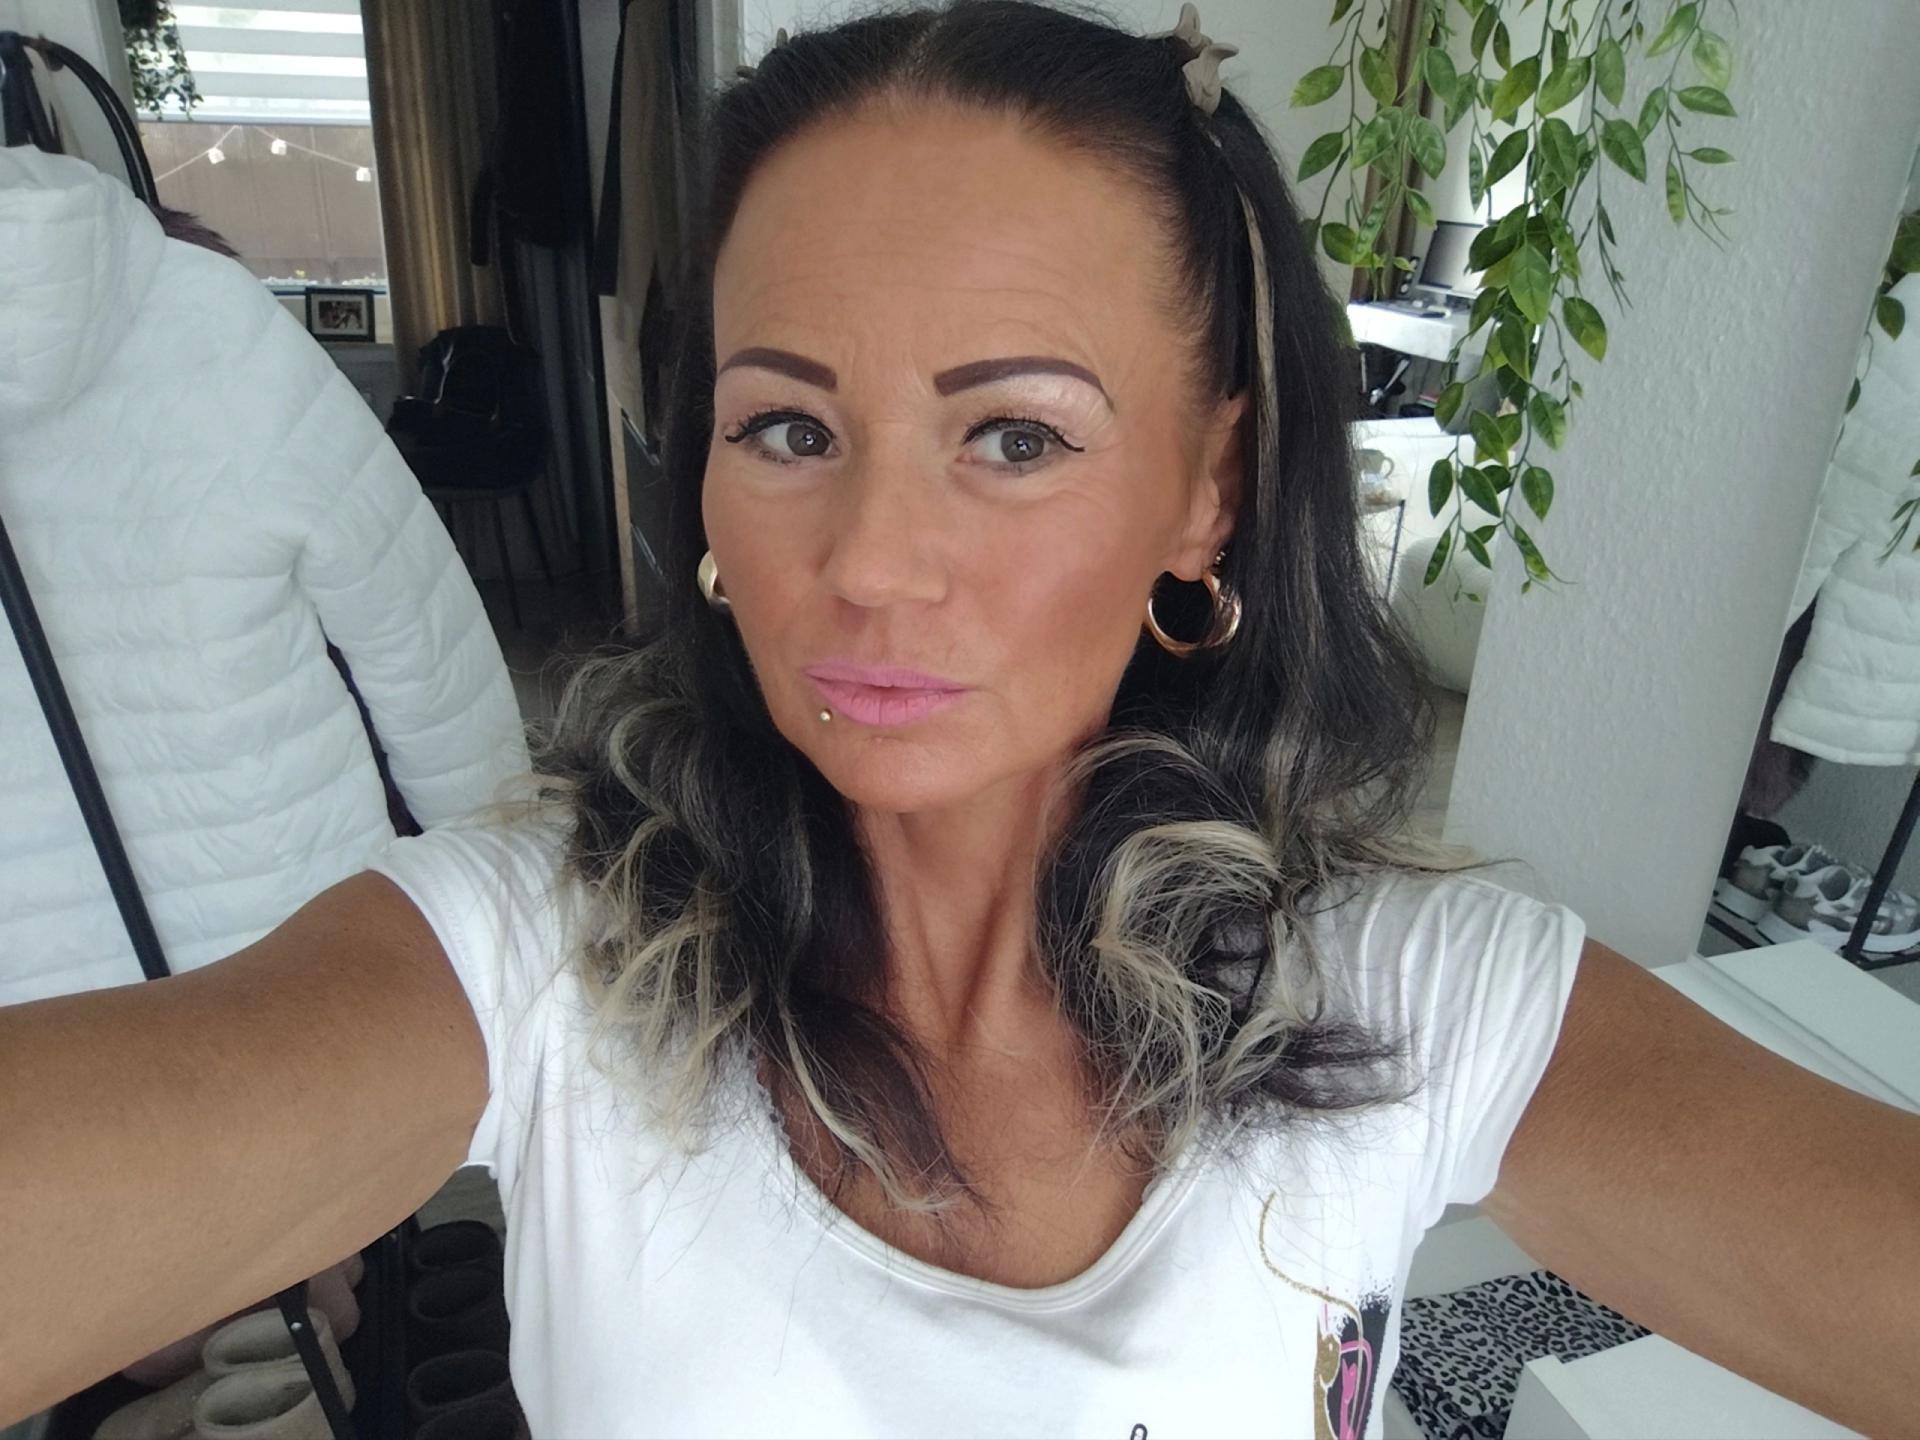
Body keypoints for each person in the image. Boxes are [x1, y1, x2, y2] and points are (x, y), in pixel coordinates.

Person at [1, 3, 1915, 1436]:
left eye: (1014, 437)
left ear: (1210, 491)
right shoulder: (540, 957)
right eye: (787, 426)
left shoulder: (1413, 993)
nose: (869, 562)